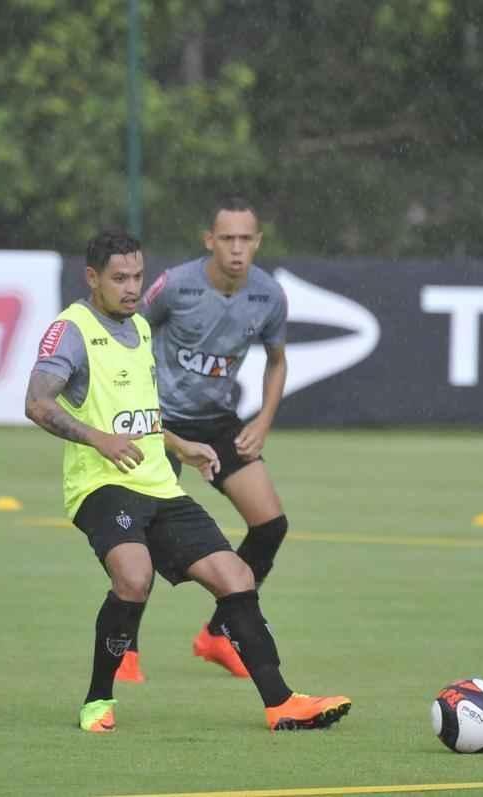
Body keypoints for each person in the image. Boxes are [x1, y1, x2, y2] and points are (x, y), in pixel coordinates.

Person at [25, 228, 349, 732]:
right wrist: (98, 439)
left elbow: (143, 412)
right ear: (92, 278)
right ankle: (97, 700)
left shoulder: (141, 330)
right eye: (119, 278)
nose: (132, 288)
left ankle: (282, 703)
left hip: (160, 483)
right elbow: (37, 402)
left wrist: (179, 446)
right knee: (134, 576)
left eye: (137, 276)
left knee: (236, 577)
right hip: (101, 484)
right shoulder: (71, 329)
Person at [120, 196, 289, 682]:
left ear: (257, 242)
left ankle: (219, 633)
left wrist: (262, 422)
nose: (237, 249)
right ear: (209, 241)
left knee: (270, 525)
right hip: (158, 418)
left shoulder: (269, 295)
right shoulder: (175, 285)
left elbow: (277, 361)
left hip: (217, 420)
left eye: (246, 239)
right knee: (139, 533)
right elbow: (129, 332)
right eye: (227, 238)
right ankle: (125, 650)